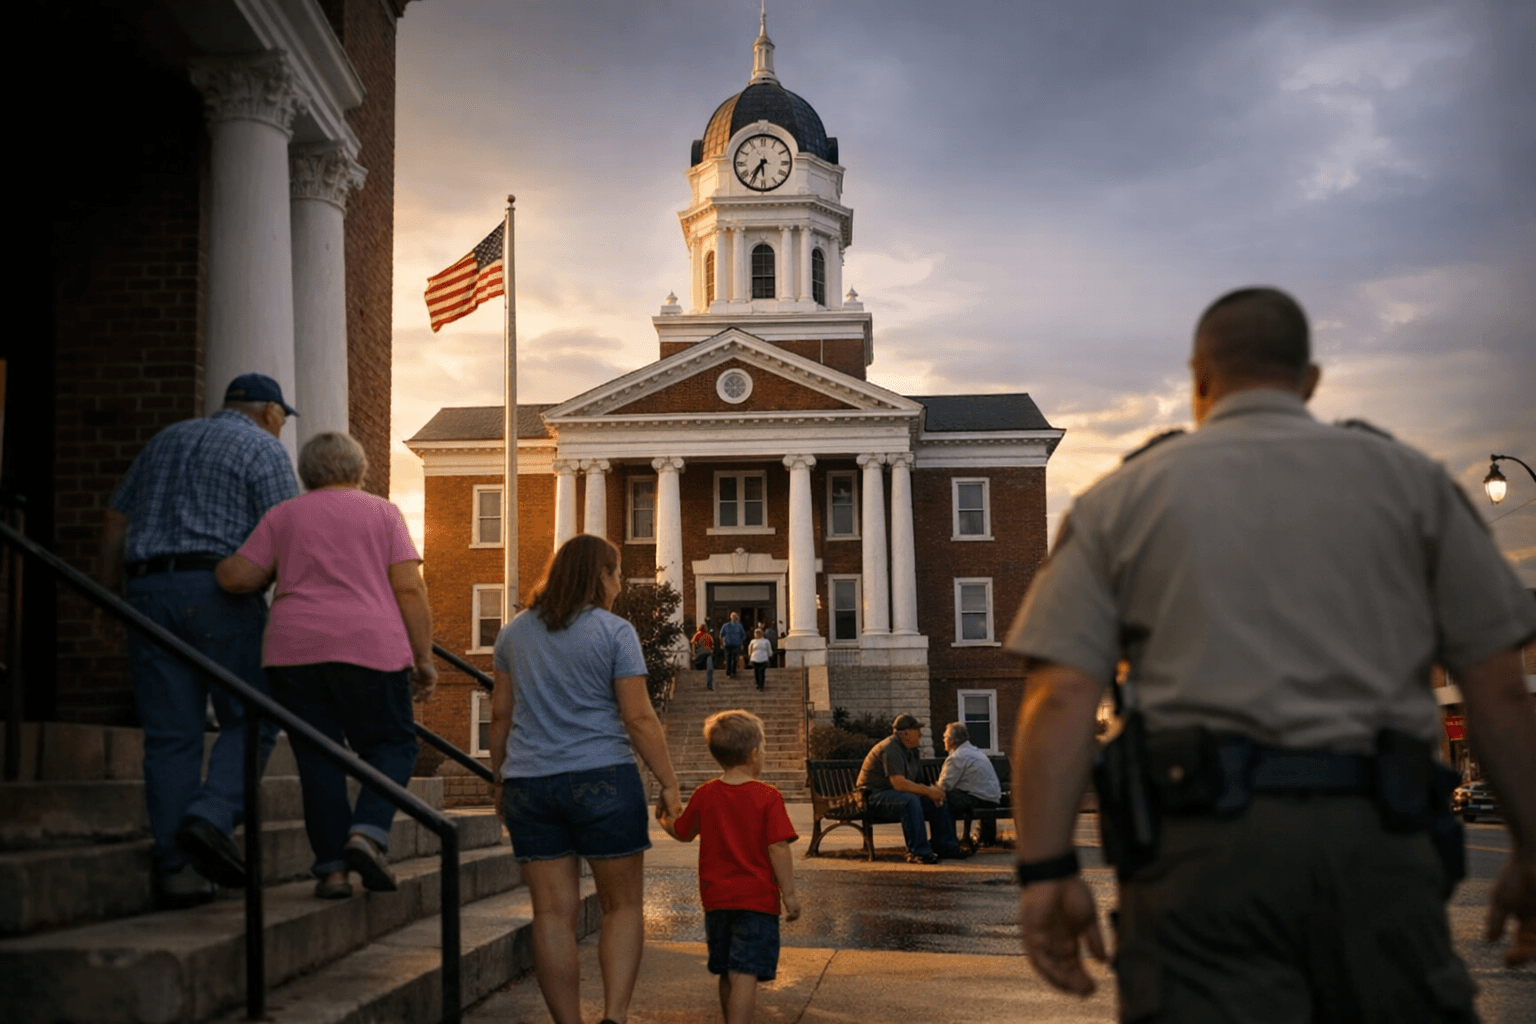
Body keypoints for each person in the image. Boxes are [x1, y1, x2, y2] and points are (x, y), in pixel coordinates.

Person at [1005, 287, 1536, 1018]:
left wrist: (1047, 868)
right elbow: (1500, 689)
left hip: (1200, 856)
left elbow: (1058, 697)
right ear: (1310, 380)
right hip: (1381, 842)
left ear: (1198, 379)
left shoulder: (1121, 499)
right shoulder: (1412, 483)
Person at [100, 372, 300, 906]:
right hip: (219, 590)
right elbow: (286, 534)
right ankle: (210, 816)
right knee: (253, 714)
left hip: (146, 589)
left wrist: (106, 592)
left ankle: (176, 870)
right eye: (282, 420)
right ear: (271, 414)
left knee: (170, 734)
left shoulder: (166, 439)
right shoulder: (263, 450)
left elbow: (116, 519)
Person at [216, 432, 437, 899]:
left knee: (319, 759)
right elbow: (410, 589)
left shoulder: (283, 515)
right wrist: (423, 657)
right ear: (359, 470)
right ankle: (368, 832)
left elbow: (240, 577)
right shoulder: (382, 512)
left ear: (307, 472)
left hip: (294, 654)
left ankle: (333, 871)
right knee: (393, 745)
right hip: (371, 649)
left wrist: (211, 568)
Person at [490, 534, 683, 1024]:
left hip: (529, 783)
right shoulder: (614, 632)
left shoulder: (513, 634)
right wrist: (669, 781)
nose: (619, 584)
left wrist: (499, 780)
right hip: (603, 777)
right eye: (616, 573)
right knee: (622, 906)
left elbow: (500, 716)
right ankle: (614, 1016)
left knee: (552, 914)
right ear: (601, 575)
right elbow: (639, 717)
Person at [660, 710, 800, 1024]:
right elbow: (777, 846)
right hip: (757, 902)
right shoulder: (768, 797)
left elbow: (682, 832)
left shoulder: (704, 794)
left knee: (726, 971)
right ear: (753, 754)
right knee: (745, 973)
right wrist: (789, 895)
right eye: (762, 749)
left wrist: (664, 819)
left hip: (716, 901)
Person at [857, 714, 965, 864]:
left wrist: (934, 792)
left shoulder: (912, 751)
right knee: (910, 801)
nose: (920, 733)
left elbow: (917, 782)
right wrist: (928, 791)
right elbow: (898, 784)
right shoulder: (890, 748)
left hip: (894, 794)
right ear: (905, 733)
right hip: (872, 796)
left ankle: (945, 846)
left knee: (935, 800)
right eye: (916, 730)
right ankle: (918, 852)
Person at [938, 721, 1002, 849]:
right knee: (957, 796)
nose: (943, 739)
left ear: (952, 741)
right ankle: (970, 838)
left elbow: (944, 786)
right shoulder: (977, 752)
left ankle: (947, 840)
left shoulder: (958, 756)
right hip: (992, 798)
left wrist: (929, 791)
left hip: (978, 799)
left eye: (945, 736)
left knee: (944, 799)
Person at [719, 611, 746, 677]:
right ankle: (733, 671)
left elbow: (720, 635)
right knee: (734, 658)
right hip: (736, 644)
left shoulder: (725, 625)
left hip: (728, 644)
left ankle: (728, 672)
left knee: (728, 658)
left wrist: (722, 643)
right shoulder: (739, 626)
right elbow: (743, 636)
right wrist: (740, 641)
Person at [692, 620, 716, 691]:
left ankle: (707, 684)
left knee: (703, 667)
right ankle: (709, 684)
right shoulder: (708, 636)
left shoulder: (697, 635)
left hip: (701, 653)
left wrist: (693, 654)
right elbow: (712, 645)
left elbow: (693, 644)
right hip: (708, 653)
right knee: (710, 669)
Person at [747, 626, 773, 691]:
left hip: (763, 659)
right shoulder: (753, 641)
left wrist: (770, 654)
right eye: (756, 633)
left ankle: (761, 685)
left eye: (758, 633)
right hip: (755, 659)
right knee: (756, 672)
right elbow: (750, 649)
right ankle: (758, 684)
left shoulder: (766, 641)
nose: (757, 634)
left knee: (762, 672)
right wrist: (750, 655)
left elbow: (768, 649)